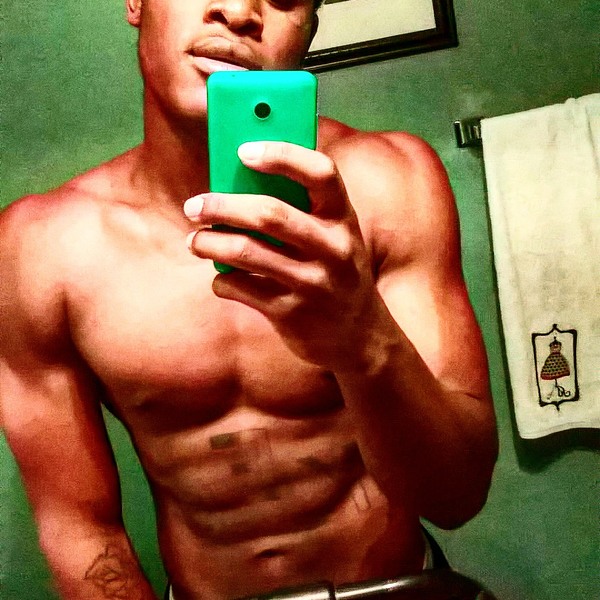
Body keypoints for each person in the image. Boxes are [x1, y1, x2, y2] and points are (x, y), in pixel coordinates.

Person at [0, 1, 498, 599]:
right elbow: (81, 530)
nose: (237, 10)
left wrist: (362, 339)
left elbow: (458, 495)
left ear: (310, 28)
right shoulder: (41, 250)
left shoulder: (392, 185)